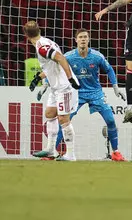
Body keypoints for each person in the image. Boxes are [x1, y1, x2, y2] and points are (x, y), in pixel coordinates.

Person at [37, 28, 127, 161]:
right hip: (76, 93)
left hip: (95, 93)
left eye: (85, 37)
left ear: (89, 39)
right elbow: (52, 68)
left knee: (110, 120)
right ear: (76, 40)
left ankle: (116, 152)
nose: (83, 39)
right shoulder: (69, 56)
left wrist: (115, 87)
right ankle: (52, 152)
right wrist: (45, 84)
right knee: (64, 121)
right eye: (80, 37)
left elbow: (109, 69)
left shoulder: (97, 56)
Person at [26, 21, 80, 162]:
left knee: (63, 119)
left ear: (26, 36)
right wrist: (38, 77)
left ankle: (71, 154)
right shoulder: (45, 41)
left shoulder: (42, 47)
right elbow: (51, 66)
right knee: (50, 113)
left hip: (64, 87)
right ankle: (50, 149)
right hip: (55, 87)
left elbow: (61, 58)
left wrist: (69, 77)